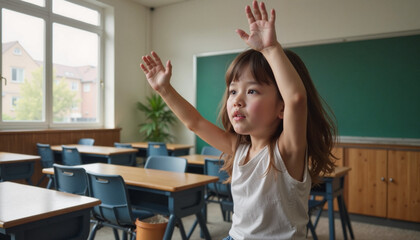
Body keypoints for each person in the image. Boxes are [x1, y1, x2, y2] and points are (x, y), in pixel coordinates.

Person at [140, 0, 336, 239]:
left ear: (281, 108)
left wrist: (271, 48)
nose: (236, 100)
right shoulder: (239, 148)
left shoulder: (287, 152)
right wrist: (164, 89)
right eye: (233, 91)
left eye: (252, 91)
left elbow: (296, 98)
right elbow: (195, 123)